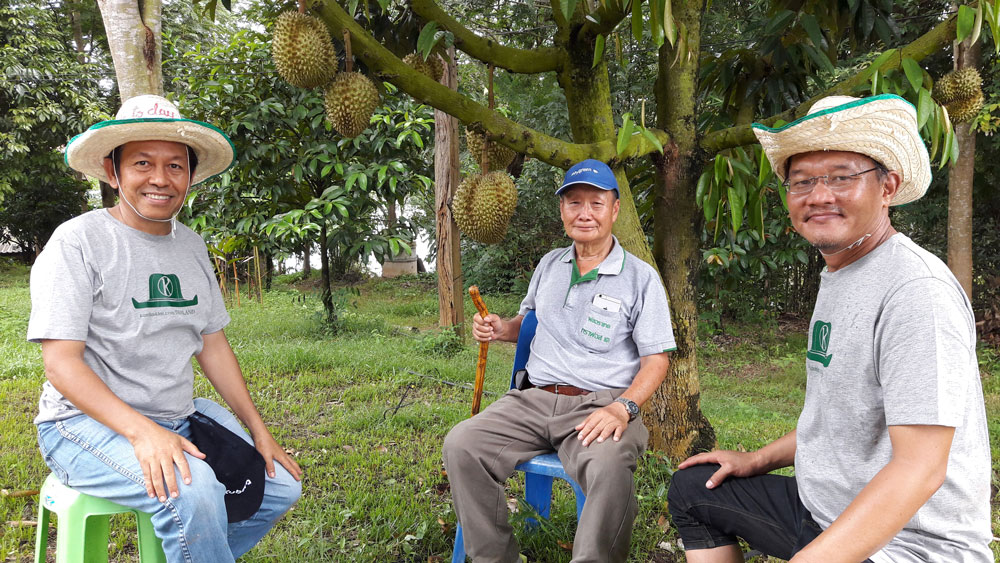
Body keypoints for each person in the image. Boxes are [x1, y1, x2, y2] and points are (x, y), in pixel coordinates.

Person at [667, 95, 992, 562]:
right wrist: (755, 460)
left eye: (842, 177)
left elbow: (920, 469)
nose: (819, 195)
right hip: (823, 510)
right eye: (801, 181)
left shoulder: (916, 291)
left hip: (908, 545)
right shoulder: (842, 271)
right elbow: (845, 418)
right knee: (694, 488)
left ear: (888, 187)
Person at [28, 94, 302, 563]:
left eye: (175, 165)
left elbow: (212, 344)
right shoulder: (78, 242)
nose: (160, 178)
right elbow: (61, 365)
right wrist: (142, 434)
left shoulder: (192, 246)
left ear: (190, 177)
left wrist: (260, 432)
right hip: (79, 424)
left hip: (177, 414)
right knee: (192, 495)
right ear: (113, 173)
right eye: (142, 163)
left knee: (281, 487)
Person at [443, 159, 676, 562]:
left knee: (607, 469)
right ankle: (495, 557)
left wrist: (623, 408)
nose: (584, 213)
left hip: (599, 407)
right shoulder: (550, 265)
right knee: (463, 444)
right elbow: (528, 321)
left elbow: (657, 360)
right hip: (532, 400)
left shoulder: (641, 278)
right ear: (562, 210)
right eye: (574, 203)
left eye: (596, 203)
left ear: (614, 210)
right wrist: (501, 328)